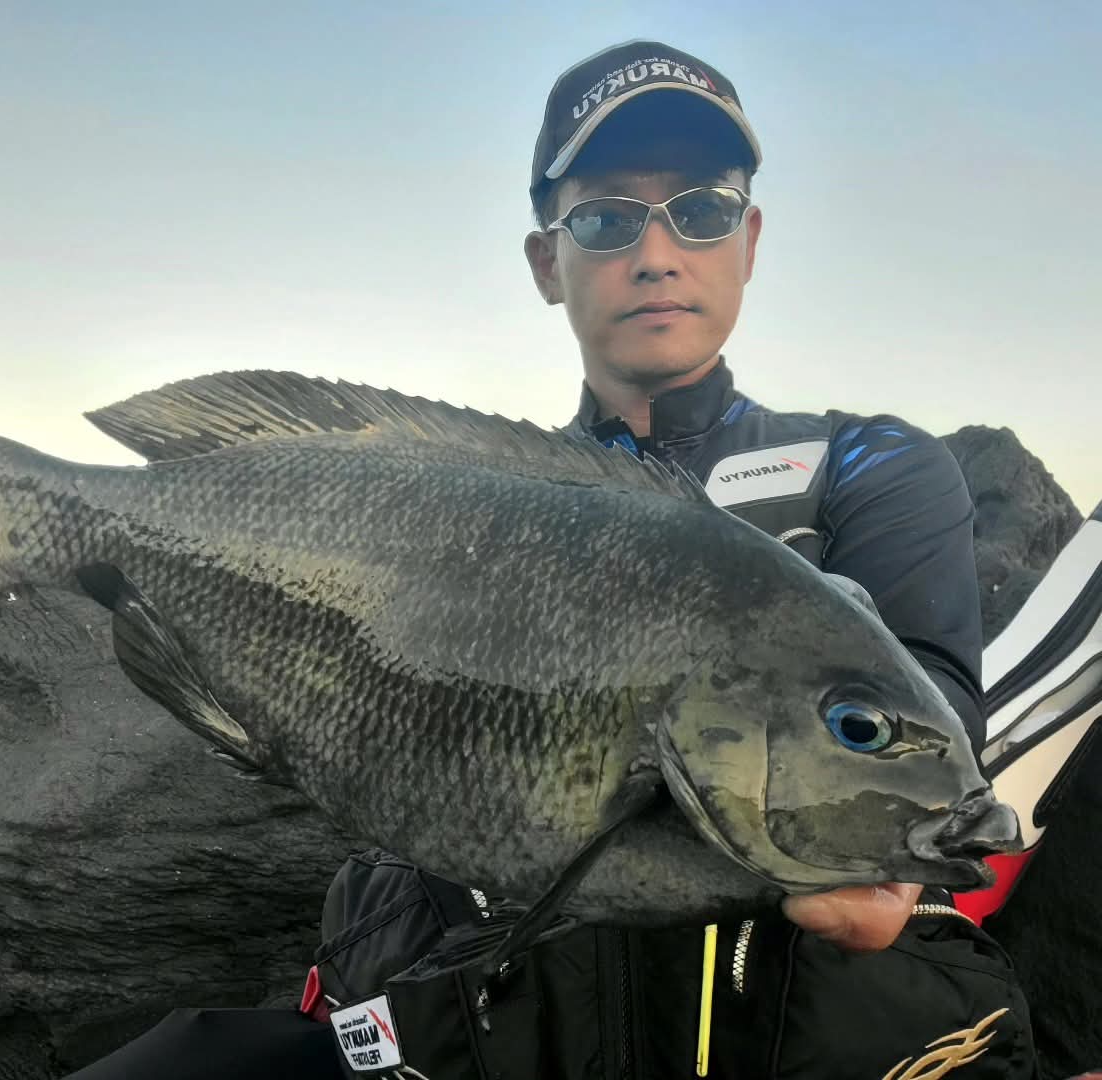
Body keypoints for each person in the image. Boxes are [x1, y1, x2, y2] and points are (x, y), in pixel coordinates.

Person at [67, 38, 1038, 1080]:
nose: (657, 253)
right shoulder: (475, 508)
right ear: (547, 261)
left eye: (701, 210)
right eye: (608, 218)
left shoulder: (868, 464)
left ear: (749, 240)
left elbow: (933, 706)